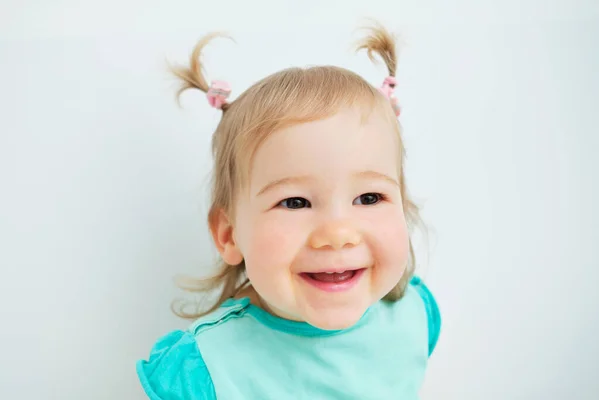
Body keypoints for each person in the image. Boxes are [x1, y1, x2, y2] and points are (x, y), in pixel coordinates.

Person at [137, 22, 441, 399]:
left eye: (369, 198)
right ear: (229, 234)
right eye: (295, 202)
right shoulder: (208, 369)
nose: (338, 233)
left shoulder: (413, 315)